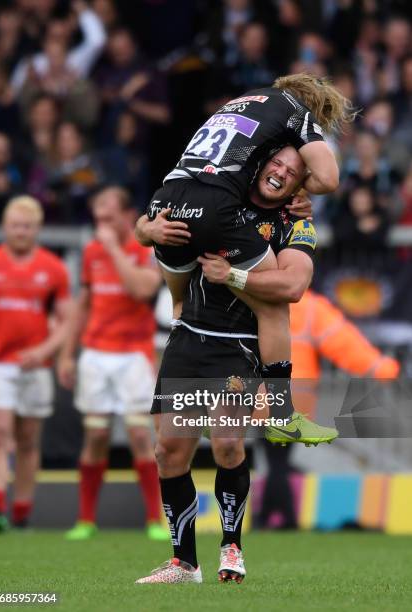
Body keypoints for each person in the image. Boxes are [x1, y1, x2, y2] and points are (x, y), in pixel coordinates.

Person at [135, 146, 337, 584]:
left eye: (294, 171)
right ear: (260, 164)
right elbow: (149, 221)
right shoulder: (222, 195)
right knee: (168, 452)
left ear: (302, 183)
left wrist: (234, 276)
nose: (282, 173)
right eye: (276, 163)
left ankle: (232, 548)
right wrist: (148, 227)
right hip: (189, 336)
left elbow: (294, 284)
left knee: (227, 443)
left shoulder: (296, 222)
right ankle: (183, 563)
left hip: (240, 346)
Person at [146, 73, 354, 433]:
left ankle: (180, 366)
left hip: (165, 202)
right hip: (213, 212)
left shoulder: (239, 105)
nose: (284, 172)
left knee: (179, 307)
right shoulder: (296, 113)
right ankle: (281, 413)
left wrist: (146, 229)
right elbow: (329, 178)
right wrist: (301, 185)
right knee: (273, 308)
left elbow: (222, 162)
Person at [57, 186, 168, 541]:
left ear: (125, 215)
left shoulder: (144, 249)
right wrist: (66, 354)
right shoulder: (91, 253)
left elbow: (142, 290)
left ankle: (154, 519)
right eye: (97, 218)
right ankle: (86, 520)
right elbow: (83, 305)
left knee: (139, 434)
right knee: (96, 436)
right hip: (96, 354)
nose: (101, 224)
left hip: (133, 353)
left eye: (108, 216)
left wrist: (111, 250)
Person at [256, 288, 400, 529]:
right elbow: (345, 343)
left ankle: (273, 518)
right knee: (278, 460)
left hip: (261, 394)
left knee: (275, 460)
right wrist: (383, 368)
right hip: (296, 397)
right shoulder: (312, 307)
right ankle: (279, 518)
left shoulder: (255, 297)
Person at [0, 196, 70, 532]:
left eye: (27, 226)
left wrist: (45, 351)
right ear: (5, 227)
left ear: (37, 229)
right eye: (14, 225)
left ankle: (22, 510)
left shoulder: (53, 268)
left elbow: (66, 321)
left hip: (36, 366)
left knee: (27, 440)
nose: (20, 231)